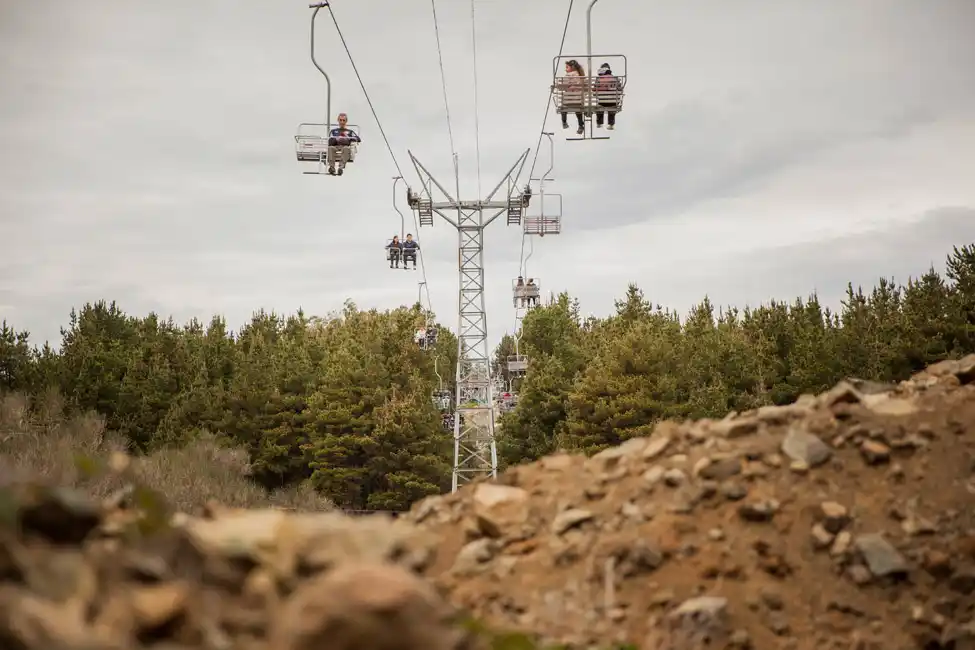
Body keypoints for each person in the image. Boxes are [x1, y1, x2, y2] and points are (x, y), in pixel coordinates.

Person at [556, 60, 586, 135]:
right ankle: (581, 125)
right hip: (579, 100)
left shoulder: (569, 75)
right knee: (578, 110)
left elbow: (564, 85)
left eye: (567, 67)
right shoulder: (581, 75)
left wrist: (558, 85)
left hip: (569, 100)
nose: (565, 69)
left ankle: (564, 122)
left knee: (563, 107)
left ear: (572, 67)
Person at [594, 63, 620, 130]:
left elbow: (594, 91)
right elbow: (620, 89)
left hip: (602, 102)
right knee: (612, 106)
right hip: (613, 102)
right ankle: (611, 124)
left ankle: (599, 123)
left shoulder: (598, 79)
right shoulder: (615, 79)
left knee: (600, 105)